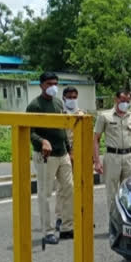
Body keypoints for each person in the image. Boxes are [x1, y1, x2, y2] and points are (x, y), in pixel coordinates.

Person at [26, 72, 73, 248]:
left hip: (62, 153)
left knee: (69, 188)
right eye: (49, 83)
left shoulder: (59, 103)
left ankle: (67, 226)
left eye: (55, 83)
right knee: (45, 194)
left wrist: (70, 149)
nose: (53, 86)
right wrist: (42, 141)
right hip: (45, 156)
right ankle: (48, 231)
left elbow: (64, 127)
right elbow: (29, 131)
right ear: (41, 85)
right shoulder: (34, 106)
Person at [93, 90, 131, 218]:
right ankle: (113, 223)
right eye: (122, 101)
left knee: (128, 192)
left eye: (127, 101)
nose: (125, 104)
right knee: (112, 192)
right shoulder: (105, 116)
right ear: (115, 99)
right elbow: (96, 139)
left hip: (129, 157)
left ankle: (127, 222)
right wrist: (97, 161)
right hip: (112, 157)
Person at [54, 86, 85, 232]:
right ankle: (61, 217)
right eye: (69, 97)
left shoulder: (81, 114)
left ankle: (77, 216)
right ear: (64, 98)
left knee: (79, 186)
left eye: (75, 97)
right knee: (63, 187)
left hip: (80, 154)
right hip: (64, 154)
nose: (72, 100)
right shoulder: (60, 114)